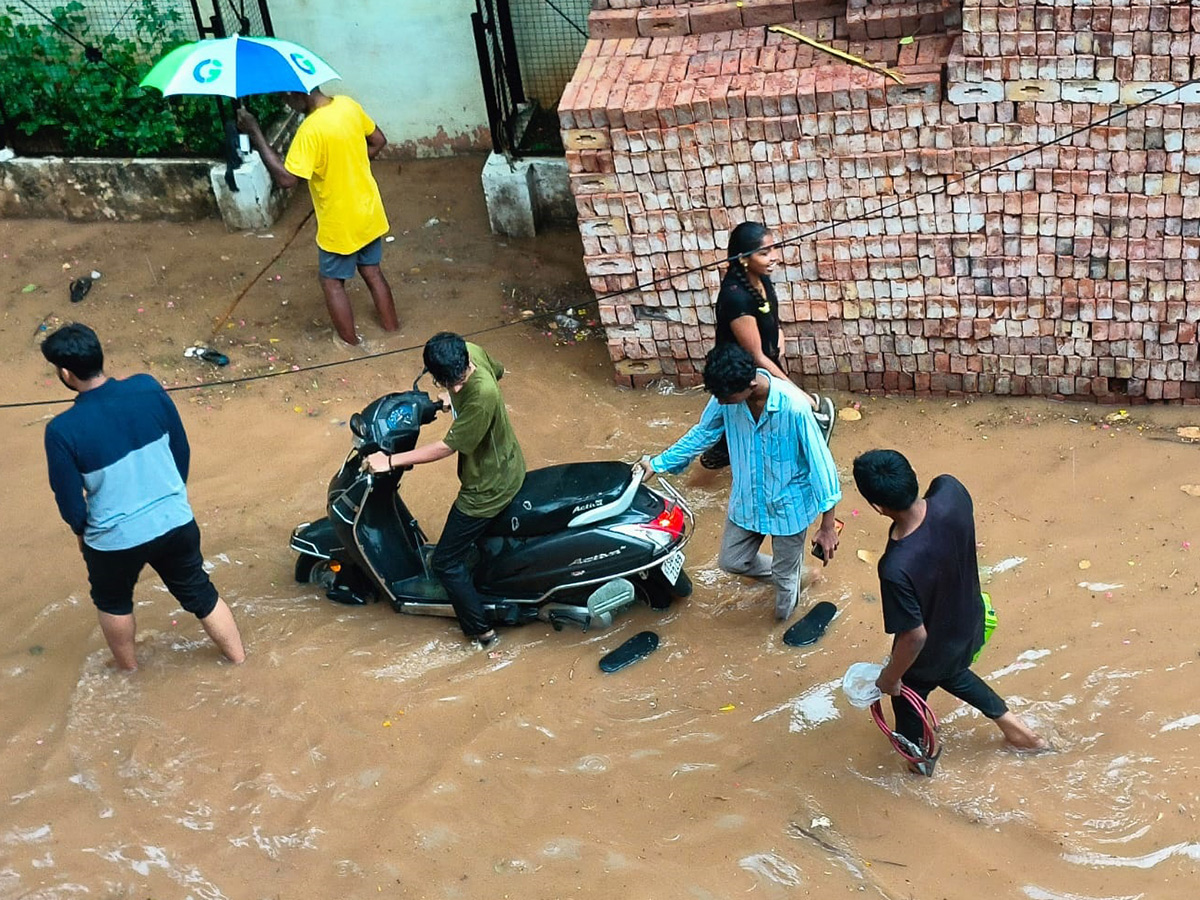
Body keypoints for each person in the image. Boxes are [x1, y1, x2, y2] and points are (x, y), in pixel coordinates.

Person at [41, 324, 246, 672]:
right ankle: (240, 660)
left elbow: (69, 500)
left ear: (65, 373)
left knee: (113, 602)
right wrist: (171, 494)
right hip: (176, 521)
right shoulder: (147, 387)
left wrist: (80, 530)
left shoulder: (61, 430)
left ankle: (130, 673)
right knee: (201, 593)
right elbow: (180, 448)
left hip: (115, 541)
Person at [851, 449, 1048, 766]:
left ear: (877, 507)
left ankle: (919, 768)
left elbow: (914, 636)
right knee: (955, 671)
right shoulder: (951, 491)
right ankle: (1019, 731)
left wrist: (890, 677)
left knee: (909, 697)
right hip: (972, 622)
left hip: (929, 654)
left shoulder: (895, 566)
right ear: (912, 476)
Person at [640, 342, 841, 622]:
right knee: (732, 561)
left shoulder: (793, 408)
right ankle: (800, 574)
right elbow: (702, 434)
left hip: (789, 506)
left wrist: (828, 526)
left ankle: (782, 625)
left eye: (725, 397)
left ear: (750, 383)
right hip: (748, 499)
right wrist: (658, 463)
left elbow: (822, 465)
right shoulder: (725, 399)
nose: (721, 403)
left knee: (784, 588)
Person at [365, 333, 525, 648]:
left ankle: (483, 634)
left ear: (465, 364)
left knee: (445, 563)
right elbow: (500, 369)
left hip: (487, 486)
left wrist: (391, 460)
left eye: (460, 381)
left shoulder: (482, 396)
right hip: (507, 462)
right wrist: (448, 400)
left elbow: (446, 447)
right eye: (450, 383)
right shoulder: (473, 352)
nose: (458, 388)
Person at [237, 87, 398, 349]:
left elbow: (287, 179)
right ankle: (394, 331)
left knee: (332, 282)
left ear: (295, 93)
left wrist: (256, 133)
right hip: (368, 210)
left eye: (285, 99)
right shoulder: (348, 105)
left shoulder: (310, 130)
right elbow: (378, 141)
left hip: (339, 221)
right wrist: (349, 165)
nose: (287, 105)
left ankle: (350, 346)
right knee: (372, 271)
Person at [701, 222, 835, 469]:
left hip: (766, 363)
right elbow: (756, 356)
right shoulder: (736, 297)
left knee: (758, 429)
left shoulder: (761, 279)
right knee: (731, 435)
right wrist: (800, 394)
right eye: (764, 253)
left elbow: (770, 318)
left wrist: (778, 337)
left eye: (774, 249)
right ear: (743, 259)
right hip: (746, 373)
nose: (774, 258)